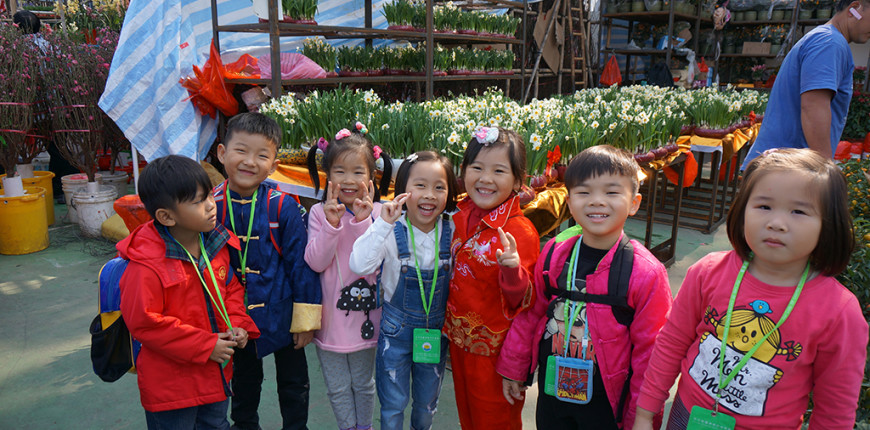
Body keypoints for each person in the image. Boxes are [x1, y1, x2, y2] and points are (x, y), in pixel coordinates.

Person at [635, 148, 868, 429]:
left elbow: (835, 408)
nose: (776, 223)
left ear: (829, 224)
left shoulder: (839, 312)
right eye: (764, 206)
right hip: (687, 418)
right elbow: (671, 344)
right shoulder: (708, 272)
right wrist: (645, 413)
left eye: (798, 211)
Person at [498, 145, 674, 430]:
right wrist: (513, 368)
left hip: (608, 405)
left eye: (611, 192)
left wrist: (642, 417)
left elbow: (651, 354)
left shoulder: (645, 272)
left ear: (634, 203)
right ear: (569, 202)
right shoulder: (554, 254)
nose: (597, 201)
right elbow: (531, 314)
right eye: (584, 192)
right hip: (554, 394)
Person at [118, 155, 260, 429]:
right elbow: (145, 323)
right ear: (166, 216)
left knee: (216, 423)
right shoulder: (146, 264)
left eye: (209, 195)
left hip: (216, 375)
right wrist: (205, 346)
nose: (211, 205)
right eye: (198, 201)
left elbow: (230, 290)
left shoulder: (215, 243)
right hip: (172, 389)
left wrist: (237, 325)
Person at [214, 112, 322, 430]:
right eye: (241, 151)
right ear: (222, 153)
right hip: (236, 318)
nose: (250, 162)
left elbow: (301, 266)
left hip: (282, 312)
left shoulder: (282, 206)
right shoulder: (210, 205)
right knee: (244, 382)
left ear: (273, 165)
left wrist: (305, 322)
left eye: (262, 155)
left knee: (294, 382)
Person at [348, 150, 459, 430]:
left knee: (426, 405)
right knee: (393, 405)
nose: (429, 195)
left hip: (435, 333)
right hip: (395, 333)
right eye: (420, 185)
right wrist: (382, 224)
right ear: (403, 189)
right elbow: (359, 264)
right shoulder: (391, 228)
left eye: (439, 187)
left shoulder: (453, 230)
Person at [444, 126, 540, 429]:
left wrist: (512, 271)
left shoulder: (520, 232)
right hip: (459, 344)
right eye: (477, 168)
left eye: (499, 171)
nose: (485, 178)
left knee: (495, 420)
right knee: (468, 417)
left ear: (518, 180)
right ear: (463, 171)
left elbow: (524, 302)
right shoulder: (460, 213)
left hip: (496, 356)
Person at [304, 122, 393, 430]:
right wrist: (332, 225)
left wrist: (362, 222)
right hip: (330, 322)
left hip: (367, 320)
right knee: (338, 387)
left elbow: (371, 264)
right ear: (328, 176)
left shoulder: (380, 214)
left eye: (358, 172)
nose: (349, 180)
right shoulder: (319, 214)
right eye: (340, 171)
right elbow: (316, 263)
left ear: (371, 177)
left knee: (363, 384)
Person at [743, 0, 870, 167]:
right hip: (786, 170)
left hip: (781, 167)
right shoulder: (830, 43)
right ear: (854, 8)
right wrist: (824, 167)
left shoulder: (825, 39)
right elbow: (814, 107)